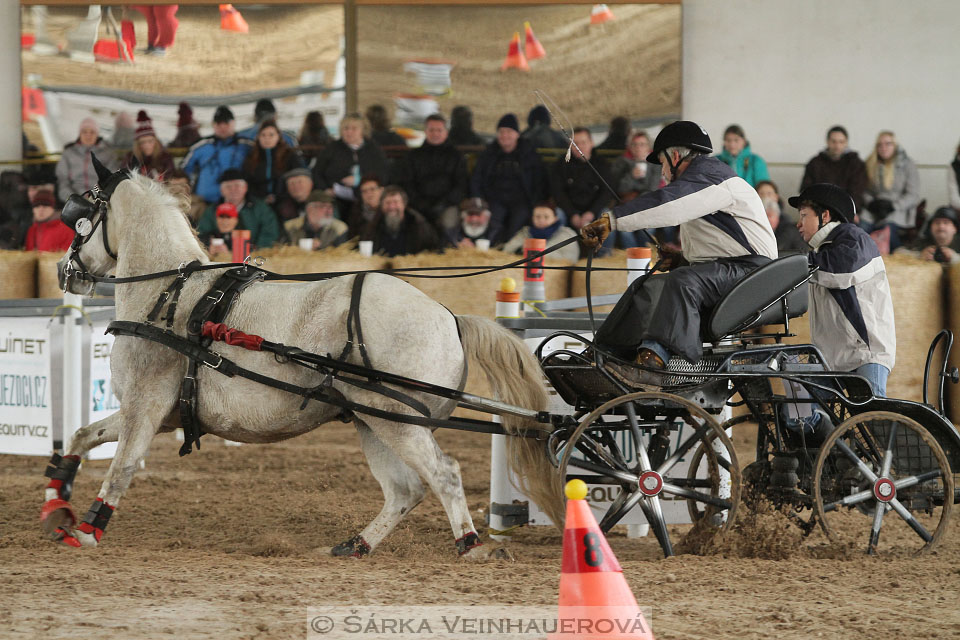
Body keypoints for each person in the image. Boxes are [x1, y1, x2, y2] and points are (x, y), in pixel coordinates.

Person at [580, 120, 777, 387]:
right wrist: (682, 259)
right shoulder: (703, 180)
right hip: (733, 269)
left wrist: (611, 221)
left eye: (662, 163)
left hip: (752, 272)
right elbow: (720, 246)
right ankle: (604, 354)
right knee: (647, 286)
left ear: (675, 156)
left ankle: (653, 364)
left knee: (682, 282)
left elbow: (667, 203)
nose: (662, 172)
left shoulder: (708, 175)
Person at [790, 183, 895, 398]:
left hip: (865, 354)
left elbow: (841, 270)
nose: (798, 223)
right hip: (831, 358)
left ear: (825, 216)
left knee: (872, 416)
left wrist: (788, 263)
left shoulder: (855, 238)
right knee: (802, 413)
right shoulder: (823, 250)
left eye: (804, 215)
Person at [470, 113, 546, 244]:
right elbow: (477, 178)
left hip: (522, 200)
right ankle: (492, 248)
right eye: (501, 132)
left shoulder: (529, 153)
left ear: (517, 134)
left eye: (509, 132)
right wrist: (479, 199)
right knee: (493, 224)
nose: (505, 135)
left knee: (517, 224)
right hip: (494, 199)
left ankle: (510, 250)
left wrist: (535, 202)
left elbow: (540, 181)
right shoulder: (489, 153)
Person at [397, 113, 469, 232]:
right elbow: (407, 183)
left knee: (448, 223)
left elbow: (461, 185)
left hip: (447, 205)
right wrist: (420, 204)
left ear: (446, 132)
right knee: (412, 223)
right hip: (418, 205)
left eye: (439, 130)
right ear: (425, 132)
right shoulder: (413, 156)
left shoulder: (456, 156)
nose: (435, 134)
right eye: (431, 130)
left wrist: (444, 204)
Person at [312, 113, 389, 218]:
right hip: (336, 198)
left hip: (366, 196)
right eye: (346, 128)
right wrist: (325, 189)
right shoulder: (332, 148)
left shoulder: (373, 149)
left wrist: (359, 179)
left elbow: (383, 173)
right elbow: (317, 172)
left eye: (354, 128)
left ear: (362, 130)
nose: (349, 132)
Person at [861, 131, 921, 251]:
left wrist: (894, 206)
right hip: (874, 208)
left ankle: (896, 255)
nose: (883, 148)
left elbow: (913, 194)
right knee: (860, 230)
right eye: (880, 144)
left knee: (887, 231)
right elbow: (864, 190)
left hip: (898, 209)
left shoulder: (908, 164)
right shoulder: (870, 163)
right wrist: (871, 203)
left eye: (888, 144)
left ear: (895, 145)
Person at [182, 105, 254, 204]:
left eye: (226, 123)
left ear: (234, 123)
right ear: (213, 125)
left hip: (238, 202)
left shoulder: (247, 145)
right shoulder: (201, 146)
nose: (222, 127)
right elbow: (184, 170)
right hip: (205, 201)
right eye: (218, 123)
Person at [195, 169, 280, 250]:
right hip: (220, 255)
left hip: (253, 255)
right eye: (228, 187)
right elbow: (201, 233)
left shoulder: (260, 208)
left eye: (237, 185)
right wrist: (210, 246)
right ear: (221, 191)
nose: (233, 190)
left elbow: (270, 233)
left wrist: (255, 250)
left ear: (245, 188)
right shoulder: (212, 210)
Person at [550, 127, 613, 231]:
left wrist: (591, 213)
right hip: (568, 210)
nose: (579, 147)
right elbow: (558, 192)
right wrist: (572, 214)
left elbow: (607, 192)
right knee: (556, 216)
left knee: (608, 219)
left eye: (583, 142)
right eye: (575, 144)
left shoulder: (602, 164)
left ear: (591, 143)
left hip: (595, 210)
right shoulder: (561, 164)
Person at [800, 125, 868, 215]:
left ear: (846, 143)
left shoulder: (856, 164)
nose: (837, 146)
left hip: (847, 212)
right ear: (827, 142)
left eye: (841, 142)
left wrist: (852, 212)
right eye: (834, 141)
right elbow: (807, 190)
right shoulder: (815, 163)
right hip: (819, 212)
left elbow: (857, 192)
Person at [360, 186, 440, 257]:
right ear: (382, 205)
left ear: (404, 204)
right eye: (387, 203)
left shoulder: (419, 225)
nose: (391, 207)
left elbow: (432, 249)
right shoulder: (372, 227)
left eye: (396, 202)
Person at [56, 117, 117, 202]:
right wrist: (72, 198)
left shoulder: (108, 153)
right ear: (80, 134)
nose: (88, 135)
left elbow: (112, 178)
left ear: (97, 134)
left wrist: (98, 196)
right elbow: (63, 179)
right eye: (84, 132)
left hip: (100, 197)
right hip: (74, 197)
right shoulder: (69, 153)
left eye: (92, 132)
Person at [242, 120, 304, 204]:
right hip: (259, 200)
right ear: (258, 137)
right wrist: (260, 197)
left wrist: (279, 196)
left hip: (285, 198)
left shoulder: (290, 155)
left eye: (271, 135)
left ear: (278, 136)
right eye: (263, 135)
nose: (267, 138)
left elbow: (299, 176)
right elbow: (247, 181)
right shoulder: (251, 158)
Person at [502, 201, 580, 263]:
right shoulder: (525, 232)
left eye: (546, 217)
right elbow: (507, 251)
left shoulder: (566, 234)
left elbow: (571, 259)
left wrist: (531, 252)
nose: (541, 220)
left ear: (555, 218)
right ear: (532, 218)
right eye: (537, 216)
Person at [284, 190, 349, 250]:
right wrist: (303, 247)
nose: (329, 211)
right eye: (323, 206)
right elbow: (282, 251)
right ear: (310, 209)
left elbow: (341, 255)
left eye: (330, 207)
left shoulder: (339, 228)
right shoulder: (290, 227)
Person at [123, 110, 175, 181]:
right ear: (138, 144)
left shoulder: (165, 157)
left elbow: (170, 176)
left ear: (155, 141)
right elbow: (123, 175)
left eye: (150, 141)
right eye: (142, 142)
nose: (147, 145)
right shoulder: (130, 158)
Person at [756, 180, 806, 254]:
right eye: (761, 194)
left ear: (776, 197)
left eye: (769, 194)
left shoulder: (789, 226)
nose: (765, 197)